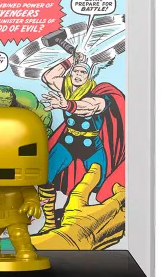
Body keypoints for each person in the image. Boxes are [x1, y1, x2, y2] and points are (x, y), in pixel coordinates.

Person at [38, 54, 125, 233]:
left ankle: (81, 222)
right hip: (67, 143)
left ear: (89, 75)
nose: (78, 75)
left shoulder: (99, 93)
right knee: (45, 177)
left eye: (83, 72)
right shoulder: (67, 87)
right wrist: (71, 59)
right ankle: (50, 222)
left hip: (91, 146)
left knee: (95, 184)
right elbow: (48, 77)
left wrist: (67, 105)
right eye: (75, 71)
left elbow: (90, 107)